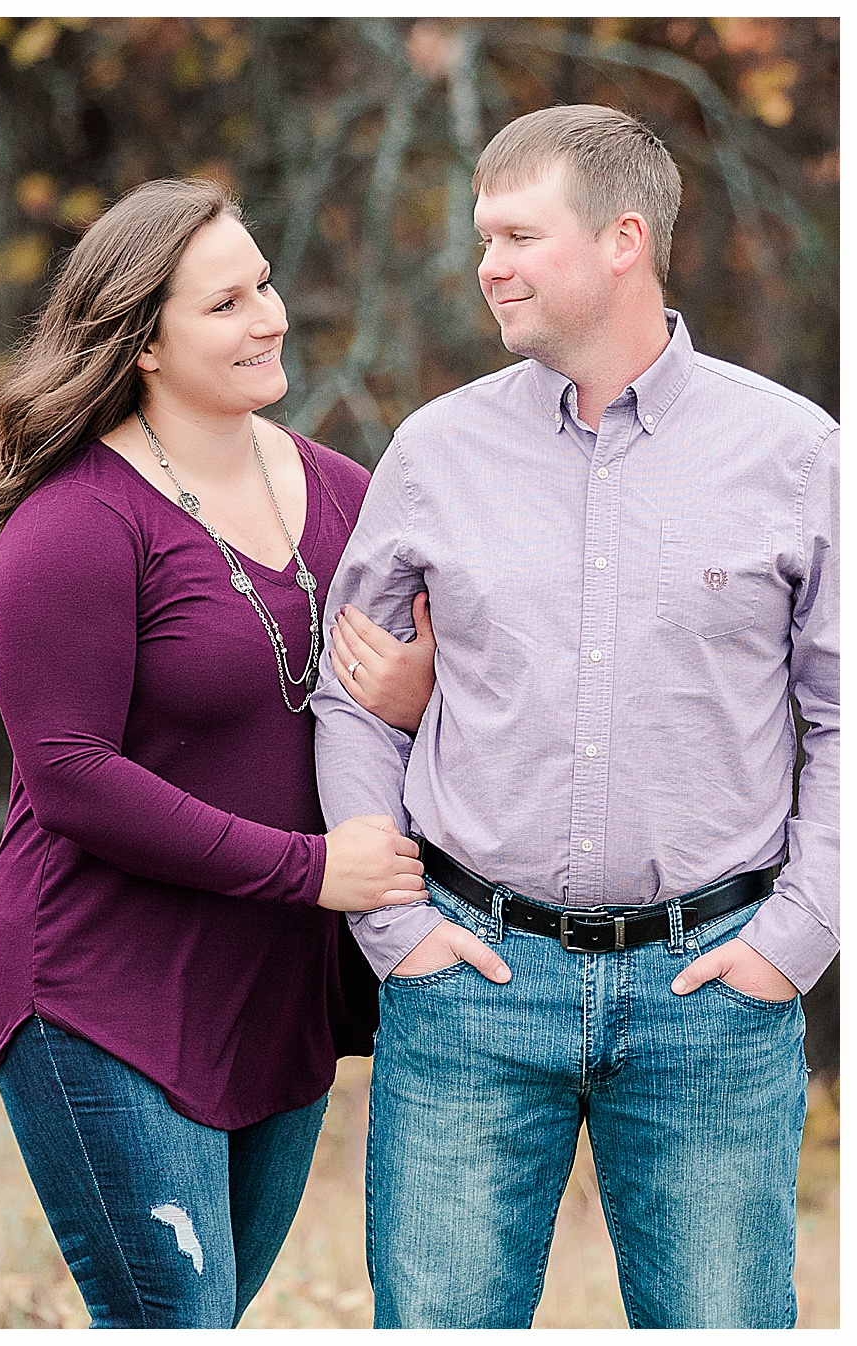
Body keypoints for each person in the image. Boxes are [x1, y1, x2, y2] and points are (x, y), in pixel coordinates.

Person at [311, 105, 837, 1329]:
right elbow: (353, 692)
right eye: (482, 233)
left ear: (622, 241)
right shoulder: (438, 450)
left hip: (714, 990)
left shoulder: (795, 453)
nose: (487, 262)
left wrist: (796, 940)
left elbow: (844, 714)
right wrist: (399, 927)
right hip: (471, 982)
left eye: (516, 234)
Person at [0, 177, 437, 1328]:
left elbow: (406, 707)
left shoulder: (346, 492)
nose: (268, 316)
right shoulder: (76, 524)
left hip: (273, 997)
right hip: (102, 994)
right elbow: (70, 772)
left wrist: (426, 700)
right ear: (141, 341)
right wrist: (310, 869)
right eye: (226, 303)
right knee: (176, 1318)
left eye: (264, 284)